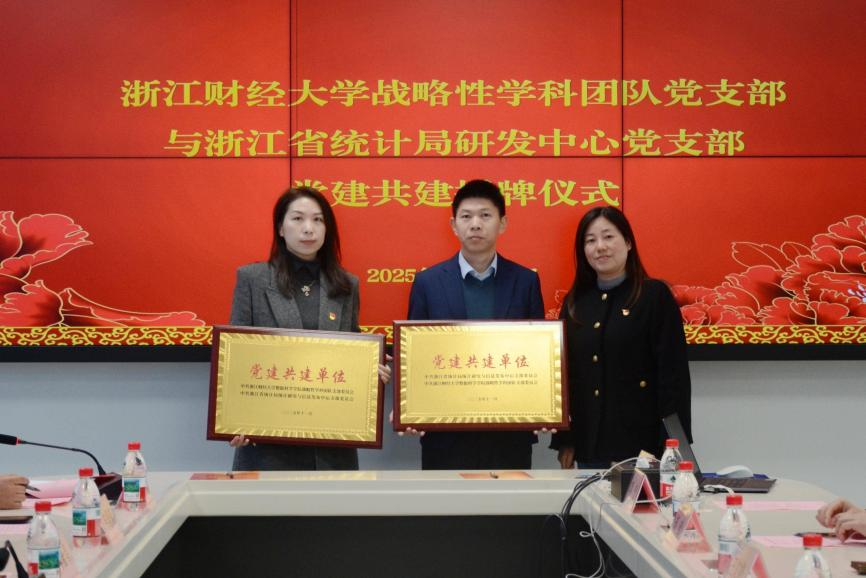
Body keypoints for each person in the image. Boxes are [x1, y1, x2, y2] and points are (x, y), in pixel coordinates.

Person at [228, 186, 390, 471]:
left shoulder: (346, 285)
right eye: (297, 219)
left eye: (318, 220)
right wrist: (232, 418)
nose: (308, 229)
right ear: (280, 228)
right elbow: (234, 358)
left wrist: (370, 372)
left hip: (331, 443)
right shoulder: (252, 279)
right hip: (267, 442)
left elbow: (351, 352)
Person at [406, 179, 544, 470]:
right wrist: (410, 405)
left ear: (502, 223)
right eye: (466, 216)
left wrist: (545, 406)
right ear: (454, 225)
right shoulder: (428, 282)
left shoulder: (526, 281)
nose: (476, 224)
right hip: (445, 434)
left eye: (485, 215)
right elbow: (416, 357)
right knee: (447, 501)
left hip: (509, 433)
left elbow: (537, 357)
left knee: (512, 501)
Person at [550, 206, 691, 468]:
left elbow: (673, 376)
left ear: (627, 242)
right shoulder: (575, 303)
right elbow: (567, 377)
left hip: (644, 445)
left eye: (608, 237)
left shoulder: (654, 296)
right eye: (590, 240)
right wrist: (565, 439)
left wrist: (672, 443)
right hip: (590, 443)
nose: (600, 247)